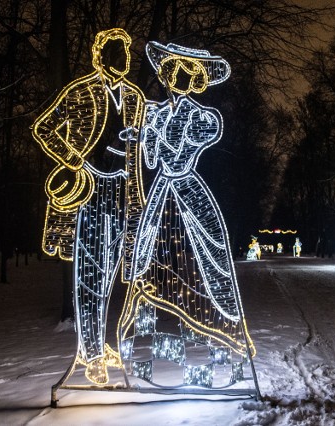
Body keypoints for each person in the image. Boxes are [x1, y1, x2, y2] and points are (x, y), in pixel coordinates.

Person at [118, 42, 255, 387]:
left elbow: (179, 156)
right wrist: (144, 137)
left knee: (203, 264)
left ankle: (215, 353)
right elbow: (152, 162)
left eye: (188, 72)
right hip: (162, 194)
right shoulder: (159, 114)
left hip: (188, 193)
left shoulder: (201, 117)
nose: (178, 77)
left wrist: (153, 131)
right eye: (174, 70)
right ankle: (143, 358)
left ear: (197, 80)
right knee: (151, 262)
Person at [32, 28, 145, 385]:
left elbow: (138, 153)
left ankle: (95, 343)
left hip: (121, 192)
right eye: (117, 52)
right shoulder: (81, 91)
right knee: (90, 272)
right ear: (101, 58)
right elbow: (45, 127)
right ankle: (92, 353)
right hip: (89, 191)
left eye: (126, 53)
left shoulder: (136, 98)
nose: (124, 59)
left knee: (110, 273)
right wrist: (74, 159)